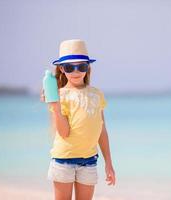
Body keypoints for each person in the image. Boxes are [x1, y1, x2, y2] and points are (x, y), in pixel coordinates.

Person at [40, 39, 116, 200]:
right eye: (69, 67)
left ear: (88, 67)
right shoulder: (59, 96)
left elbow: (101, 131)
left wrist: (108, 163)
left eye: (81, 66)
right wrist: (55, 106)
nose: (76, 71)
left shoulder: (96, 94)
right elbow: (64, 133)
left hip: (89, 161)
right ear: (61, 69)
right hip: (63, 161)